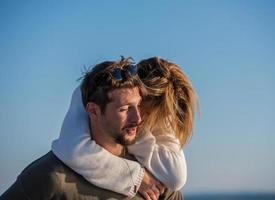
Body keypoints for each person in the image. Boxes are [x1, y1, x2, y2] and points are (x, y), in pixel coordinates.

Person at [0, 57, 183, 200]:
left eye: (138, 106)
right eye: (124, 109)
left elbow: (177, 177)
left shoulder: (156, 183)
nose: (138, 119)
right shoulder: (50, 178)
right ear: (93, 111)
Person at [50, 57, 197, 200]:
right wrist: (136, 178)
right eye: (127, 108)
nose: (139, 119)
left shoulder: (162, 104)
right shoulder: (95, 90)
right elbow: (73, 149)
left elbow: (176, 177)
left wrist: (138, 137)